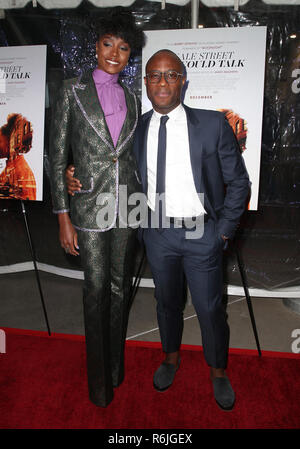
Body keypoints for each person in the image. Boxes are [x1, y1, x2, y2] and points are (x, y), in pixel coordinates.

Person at [132, 49, 249, 410]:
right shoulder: (136, 128)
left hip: (203, 233)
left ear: (183, 80)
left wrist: (223, 232)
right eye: (154, 75)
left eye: (171, 75)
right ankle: (170, 356)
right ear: (146, 82)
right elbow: (125, 175)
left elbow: (239, 184)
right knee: (166, 303)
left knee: (210, 307)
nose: (162, 82)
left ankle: (217, 369)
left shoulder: (212, 124)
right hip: (157, 231)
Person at [49, 11, 145, 407]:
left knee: (121, 290)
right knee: (96, 289)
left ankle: (115, 368)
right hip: (87, 207)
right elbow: (56, 159)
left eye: (123, 48)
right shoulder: (72, 91)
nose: (115, 53)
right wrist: (62, 216)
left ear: (129, 55)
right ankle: (98, 385)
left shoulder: (134, 98)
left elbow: (129, 154)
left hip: (128, 206)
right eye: (108, 44)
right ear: (95, 45)